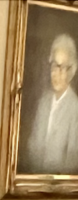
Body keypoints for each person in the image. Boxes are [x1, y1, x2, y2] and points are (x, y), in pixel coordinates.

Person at [23, 32, 78, 175]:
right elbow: (32, 146)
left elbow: (73, 162)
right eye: (54, 66)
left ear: (71, 71)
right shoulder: (43, 102)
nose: (56, 73)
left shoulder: (75, 109)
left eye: (62, 67)